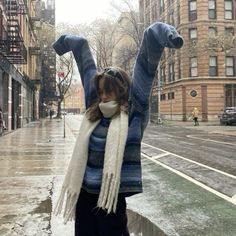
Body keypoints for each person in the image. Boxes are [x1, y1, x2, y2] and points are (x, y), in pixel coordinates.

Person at [52, 22, 183, 236]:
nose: (103, 96)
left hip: (111, 196)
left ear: (122, 91)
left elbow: (144, 68)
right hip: (85, 193)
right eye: (101, 91)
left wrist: (164, 35)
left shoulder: (133, 116)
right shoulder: (94, 110)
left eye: (109, 91)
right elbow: (84, 57)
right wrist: (66, 43)